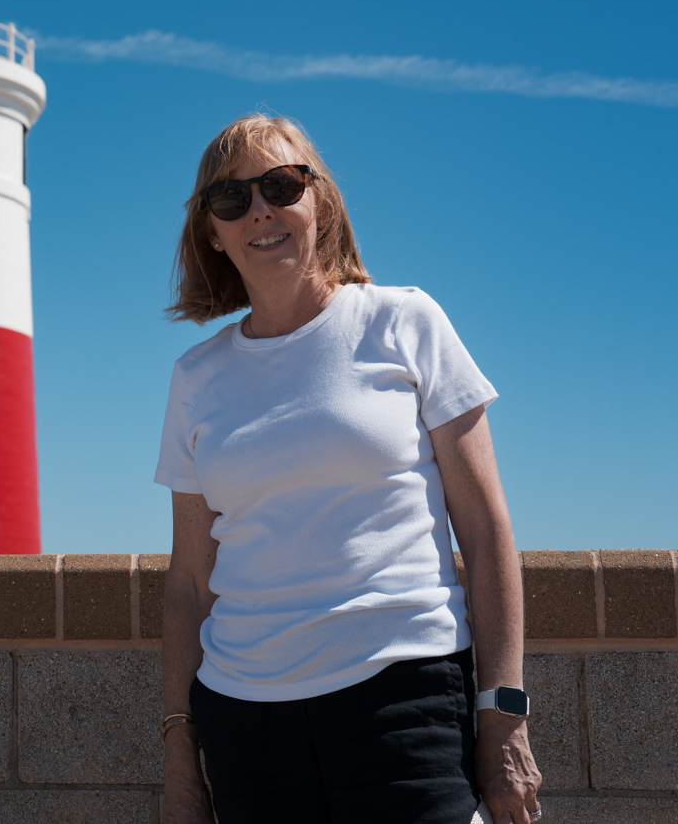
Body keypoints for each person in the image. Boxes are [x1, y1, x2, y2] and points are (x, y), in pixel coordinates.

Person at [157, 113, 542, 824]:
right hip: (246, 721)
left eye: (282, 184)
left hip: (405, 692)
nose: (261, 210)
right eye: (232, 198)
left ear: (321, 201)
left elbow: (486, 532)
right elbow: (187, 581)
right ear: (211, 231)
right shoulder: (195, 377)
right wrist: (181, 755)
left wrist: (504, 716)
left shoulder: (406, 322)